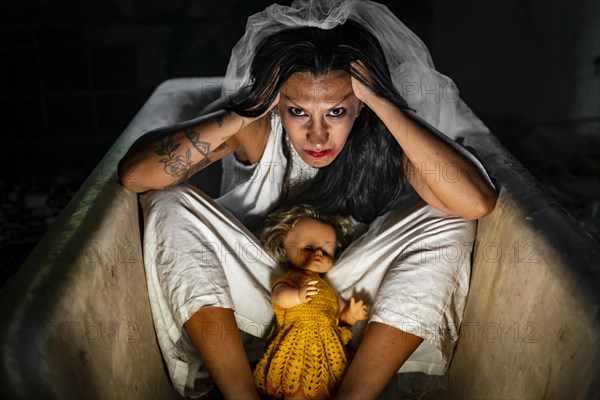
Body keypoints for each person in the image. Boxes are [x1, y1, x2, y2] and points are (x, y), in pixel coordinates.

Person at [118, 1, 498, 398]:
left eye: (335, 111)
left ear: (359, 104)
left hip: (350, 302)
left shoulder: (385, 135)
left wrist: (384, 104)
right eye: (299, 111)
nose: (318, 137)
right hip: (264, 292)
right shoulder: (257, 126)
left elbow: (477, 203)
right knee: (170, 204)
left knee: (450, 221)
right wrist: (250, 107)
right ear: (277, 101)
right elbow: (135, 175)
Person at [254, 205, 368, 399]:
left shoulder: (328, 290)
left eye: (327, 251)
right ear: (283, 246)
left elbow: (340, 316)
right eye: (309, 247)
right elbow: (279, 297)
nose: (319, 254)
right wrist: (298, 295)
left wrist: (351, 315)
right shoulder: (291, 280)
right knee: (295, 383)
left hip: (328, 345)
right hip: (298, 341)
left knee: (330, 385)